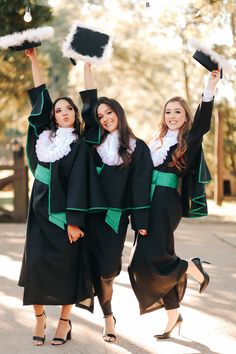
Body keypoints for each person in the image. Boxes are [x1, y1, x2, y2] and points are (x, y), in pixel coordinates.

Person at [18, 48, 103, 346]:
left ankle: (64, 322)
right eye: (59, 110)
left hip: (65, 214)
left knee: (68, 267)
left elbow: (79, 184)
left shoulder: (79, 146)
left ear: (75, 114)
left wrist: (74, 221)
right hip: (39, 209)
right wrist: (33, 60)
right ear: (53, 116)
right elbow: (39, 97)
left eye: (69, 109)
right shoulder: (44, 138)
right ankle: (40, 319)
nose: (64, 112)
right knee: (37, 264)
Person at [128, 69, 221, 339]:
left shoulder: (189, 139)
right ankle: (173, 317)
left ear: (185, 116)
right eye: (168, 112)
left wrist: (209, 86)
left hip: (167, 202)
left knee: (151, 259)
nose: (172, 116)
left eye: (177, 112)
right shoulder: (156, 141)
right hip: (148, 203)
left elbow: (203, 123)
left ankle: (191, 267)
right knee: (142, 261)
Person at [78, 62, 153, 342]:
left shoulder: (137, 147)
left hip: (114, 218)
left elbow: (140, 186)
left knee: (108, 268)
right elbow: (87, 103)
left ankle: (108, 314)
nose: (105, 117)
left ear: (119, 113)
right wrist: (87, 67)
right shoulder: (92, 143)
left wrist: (140, 222)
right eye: (101, 115)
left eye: (109, 112)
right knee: (89, 267)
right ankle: (106, 318)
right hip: (87, 216)